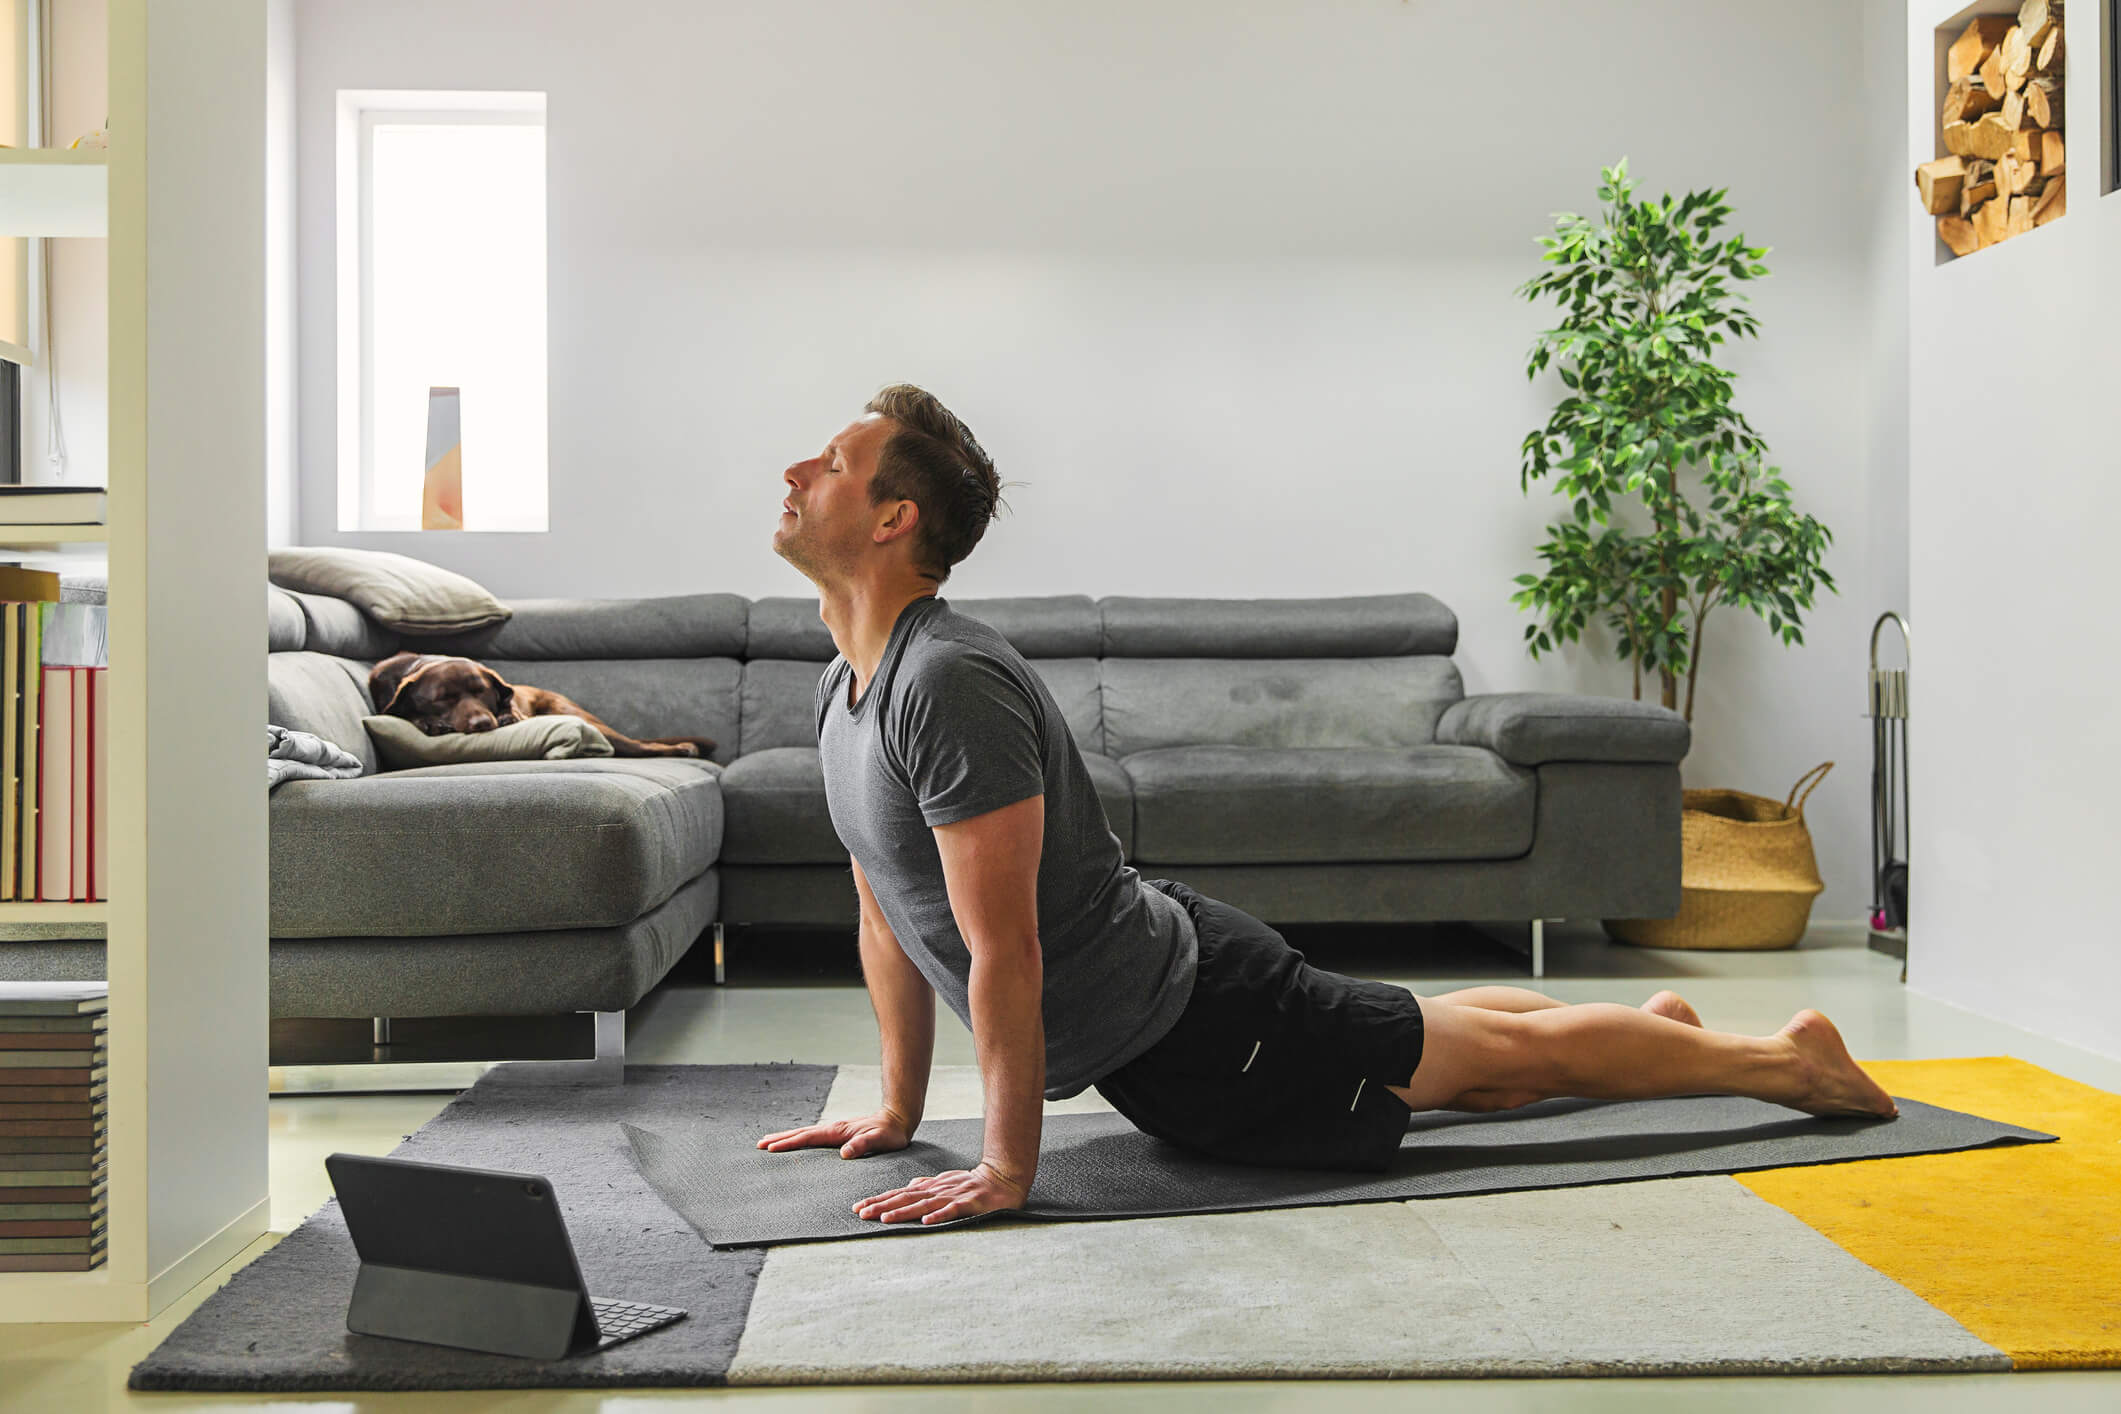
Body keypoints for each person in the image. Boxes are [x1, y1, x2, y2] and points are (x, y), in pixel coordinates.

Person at [759, 384, 1898, 1228]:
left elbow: (1003, 945)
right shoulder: (846, 690)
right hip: (1167, 1029)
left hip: (1206, 1018)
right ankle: (1654, 1035)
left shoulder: (945, 682)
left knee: (1492, 1066)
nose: (797, 472)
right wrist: (899, 1110)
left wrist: (1009, 1170)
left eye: (831, 462)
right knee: (1449, 1038)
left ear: (895, 518)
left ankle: (1789, 1063)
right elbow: (891, 917)